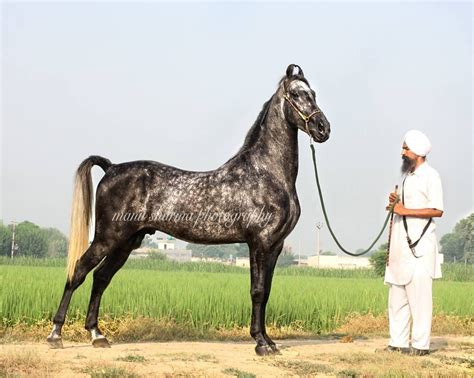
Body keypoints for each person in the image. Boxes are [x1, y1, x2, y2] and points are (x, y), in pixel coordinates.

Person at [383, 130, 444, 356]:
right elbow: (405, 207)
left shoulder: (431, 176)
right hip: (401, 247)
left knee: (419, 299)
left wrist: (404, 210)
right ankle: (396, 342)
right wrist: (396, 203)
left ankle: (420, 345)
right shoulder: (408, 176)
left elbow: (437, 210)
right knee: (397, 298)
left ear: (417, 152)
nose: (402, 152)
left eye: (406, 148)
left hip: (420, 247)